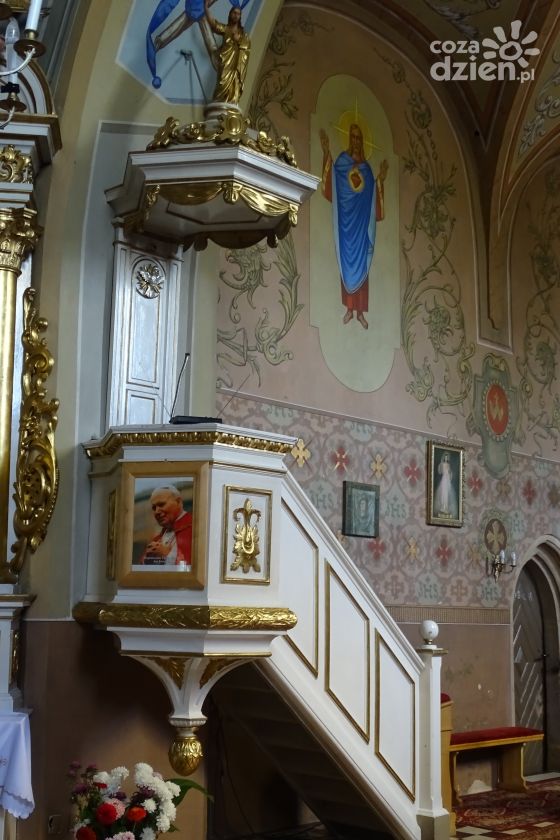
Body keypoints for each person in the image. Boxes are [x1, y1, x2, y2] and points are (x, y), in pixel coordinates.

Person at [320, 122, 388, 330]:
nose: (356, 141)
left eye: (359, 138)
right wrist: (326, 153)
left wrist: (380, 180)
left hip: (362, 226)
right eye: (354, 137)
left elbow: (371, 196)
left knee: (363, 265)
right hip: (346, 226)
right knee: (347, 264)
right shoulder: (342, 161)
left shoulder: (366, 169)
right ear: (350, 139)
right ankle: (349, 309)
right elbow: (334, 183)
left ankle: (360, 313)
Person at [205, 0, 251, 104]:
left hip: (236, 66)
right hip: (225, 63)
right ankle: (219, 102)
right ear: (230, 14)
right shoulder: (226, 29)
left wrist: (238, 40)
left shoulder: (243, 34)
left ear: (240, 17)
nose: (236, 15)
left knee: (234, 87)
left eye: (238, 14)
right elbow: (214, 24)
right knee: (221, 85)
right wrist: (206, 8)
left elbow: (247, 46)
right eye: (234, 13)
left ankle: (231, 102)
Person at [139, 485, 192, 566]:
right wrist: (149, 559)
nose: (157, 511)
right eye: (154, 508)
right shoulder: (157, 538)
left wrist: (167, 555)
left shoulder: (194, 528)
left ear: (178, 502)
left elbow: (192, 567)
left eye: (161, 504)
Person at [434, 453, 456, 518]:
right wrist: (441, 465)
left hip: (447, 479)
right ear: (444, 458)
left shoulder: (448, 465)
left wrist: (450, 475)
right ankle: (443, 507)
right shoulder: (442, 464)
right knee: (443, 493)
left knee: (447, 494)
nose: (446, 458)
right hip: (444, 479)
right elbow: (440, 471)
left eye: (447, 457)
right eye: (445, 457)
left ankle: (446, 507)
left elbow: (449, 472)